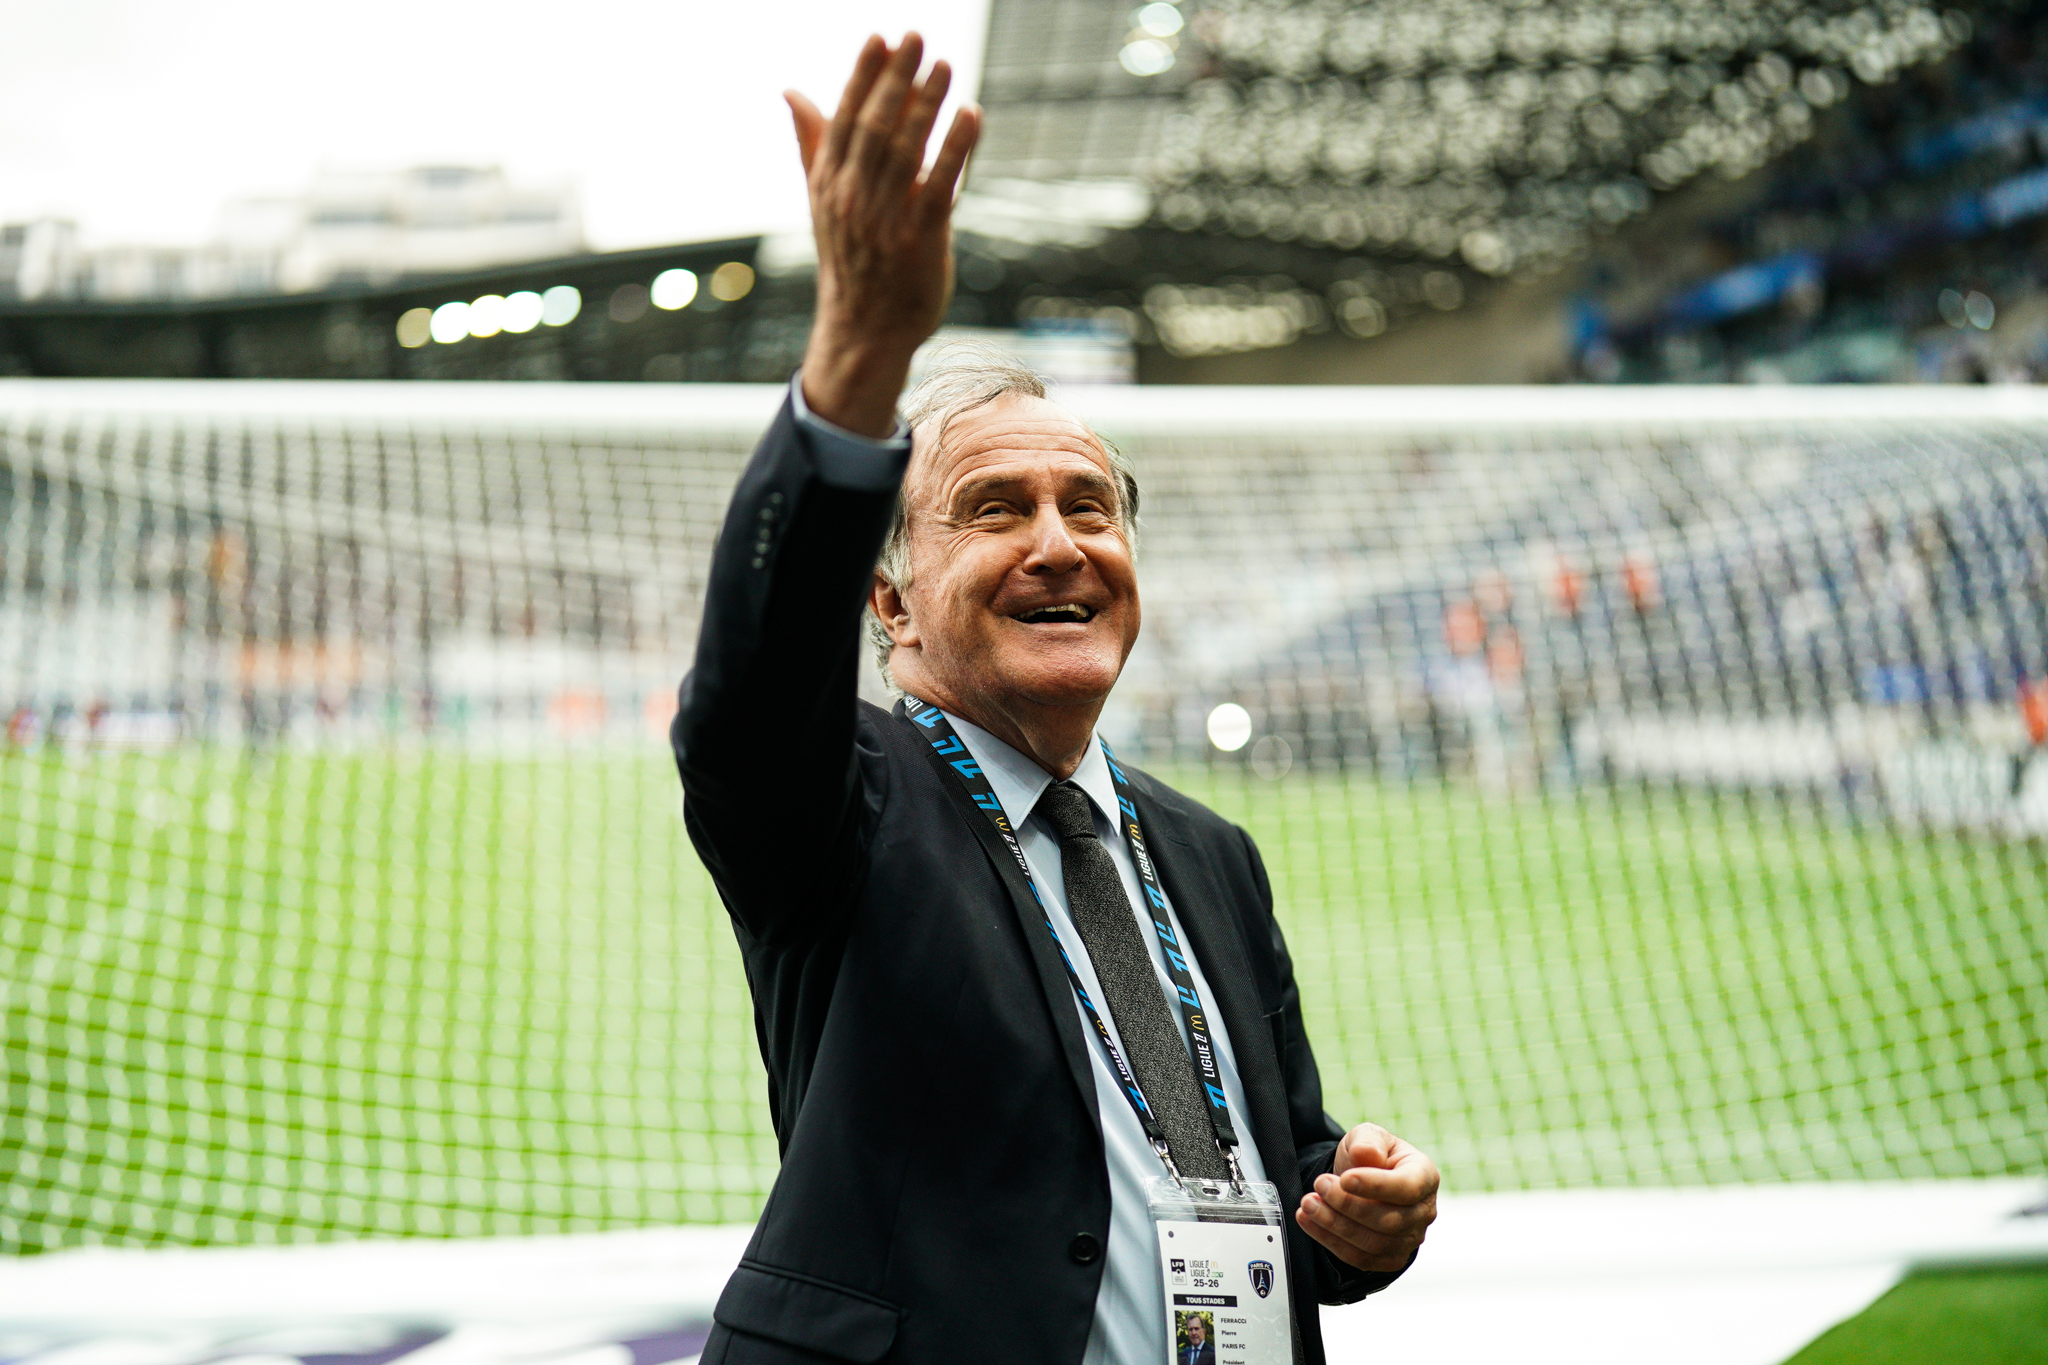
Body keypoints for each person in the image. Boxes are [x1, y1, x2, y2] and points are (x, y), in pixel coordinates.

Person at [674, 32, 1438, 1365]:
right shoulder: (839, 805)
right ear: (893, 604)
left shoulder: (1208, 852)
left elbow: (1259, 1177)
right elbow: (752, 680)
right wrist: (859, 349)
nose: (1058, 542)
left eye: (1089, 506)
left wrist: (1355, 1209)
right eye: (994, 509)